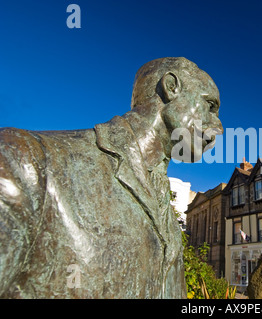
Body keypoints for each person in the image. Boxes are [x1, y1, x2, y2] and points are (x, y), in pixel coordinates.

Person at [0, 57, 223, 298]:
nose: (218, 127)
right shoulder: (25, 159)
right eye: (209, 105)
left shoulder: (169, 223)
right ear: (171, 87)